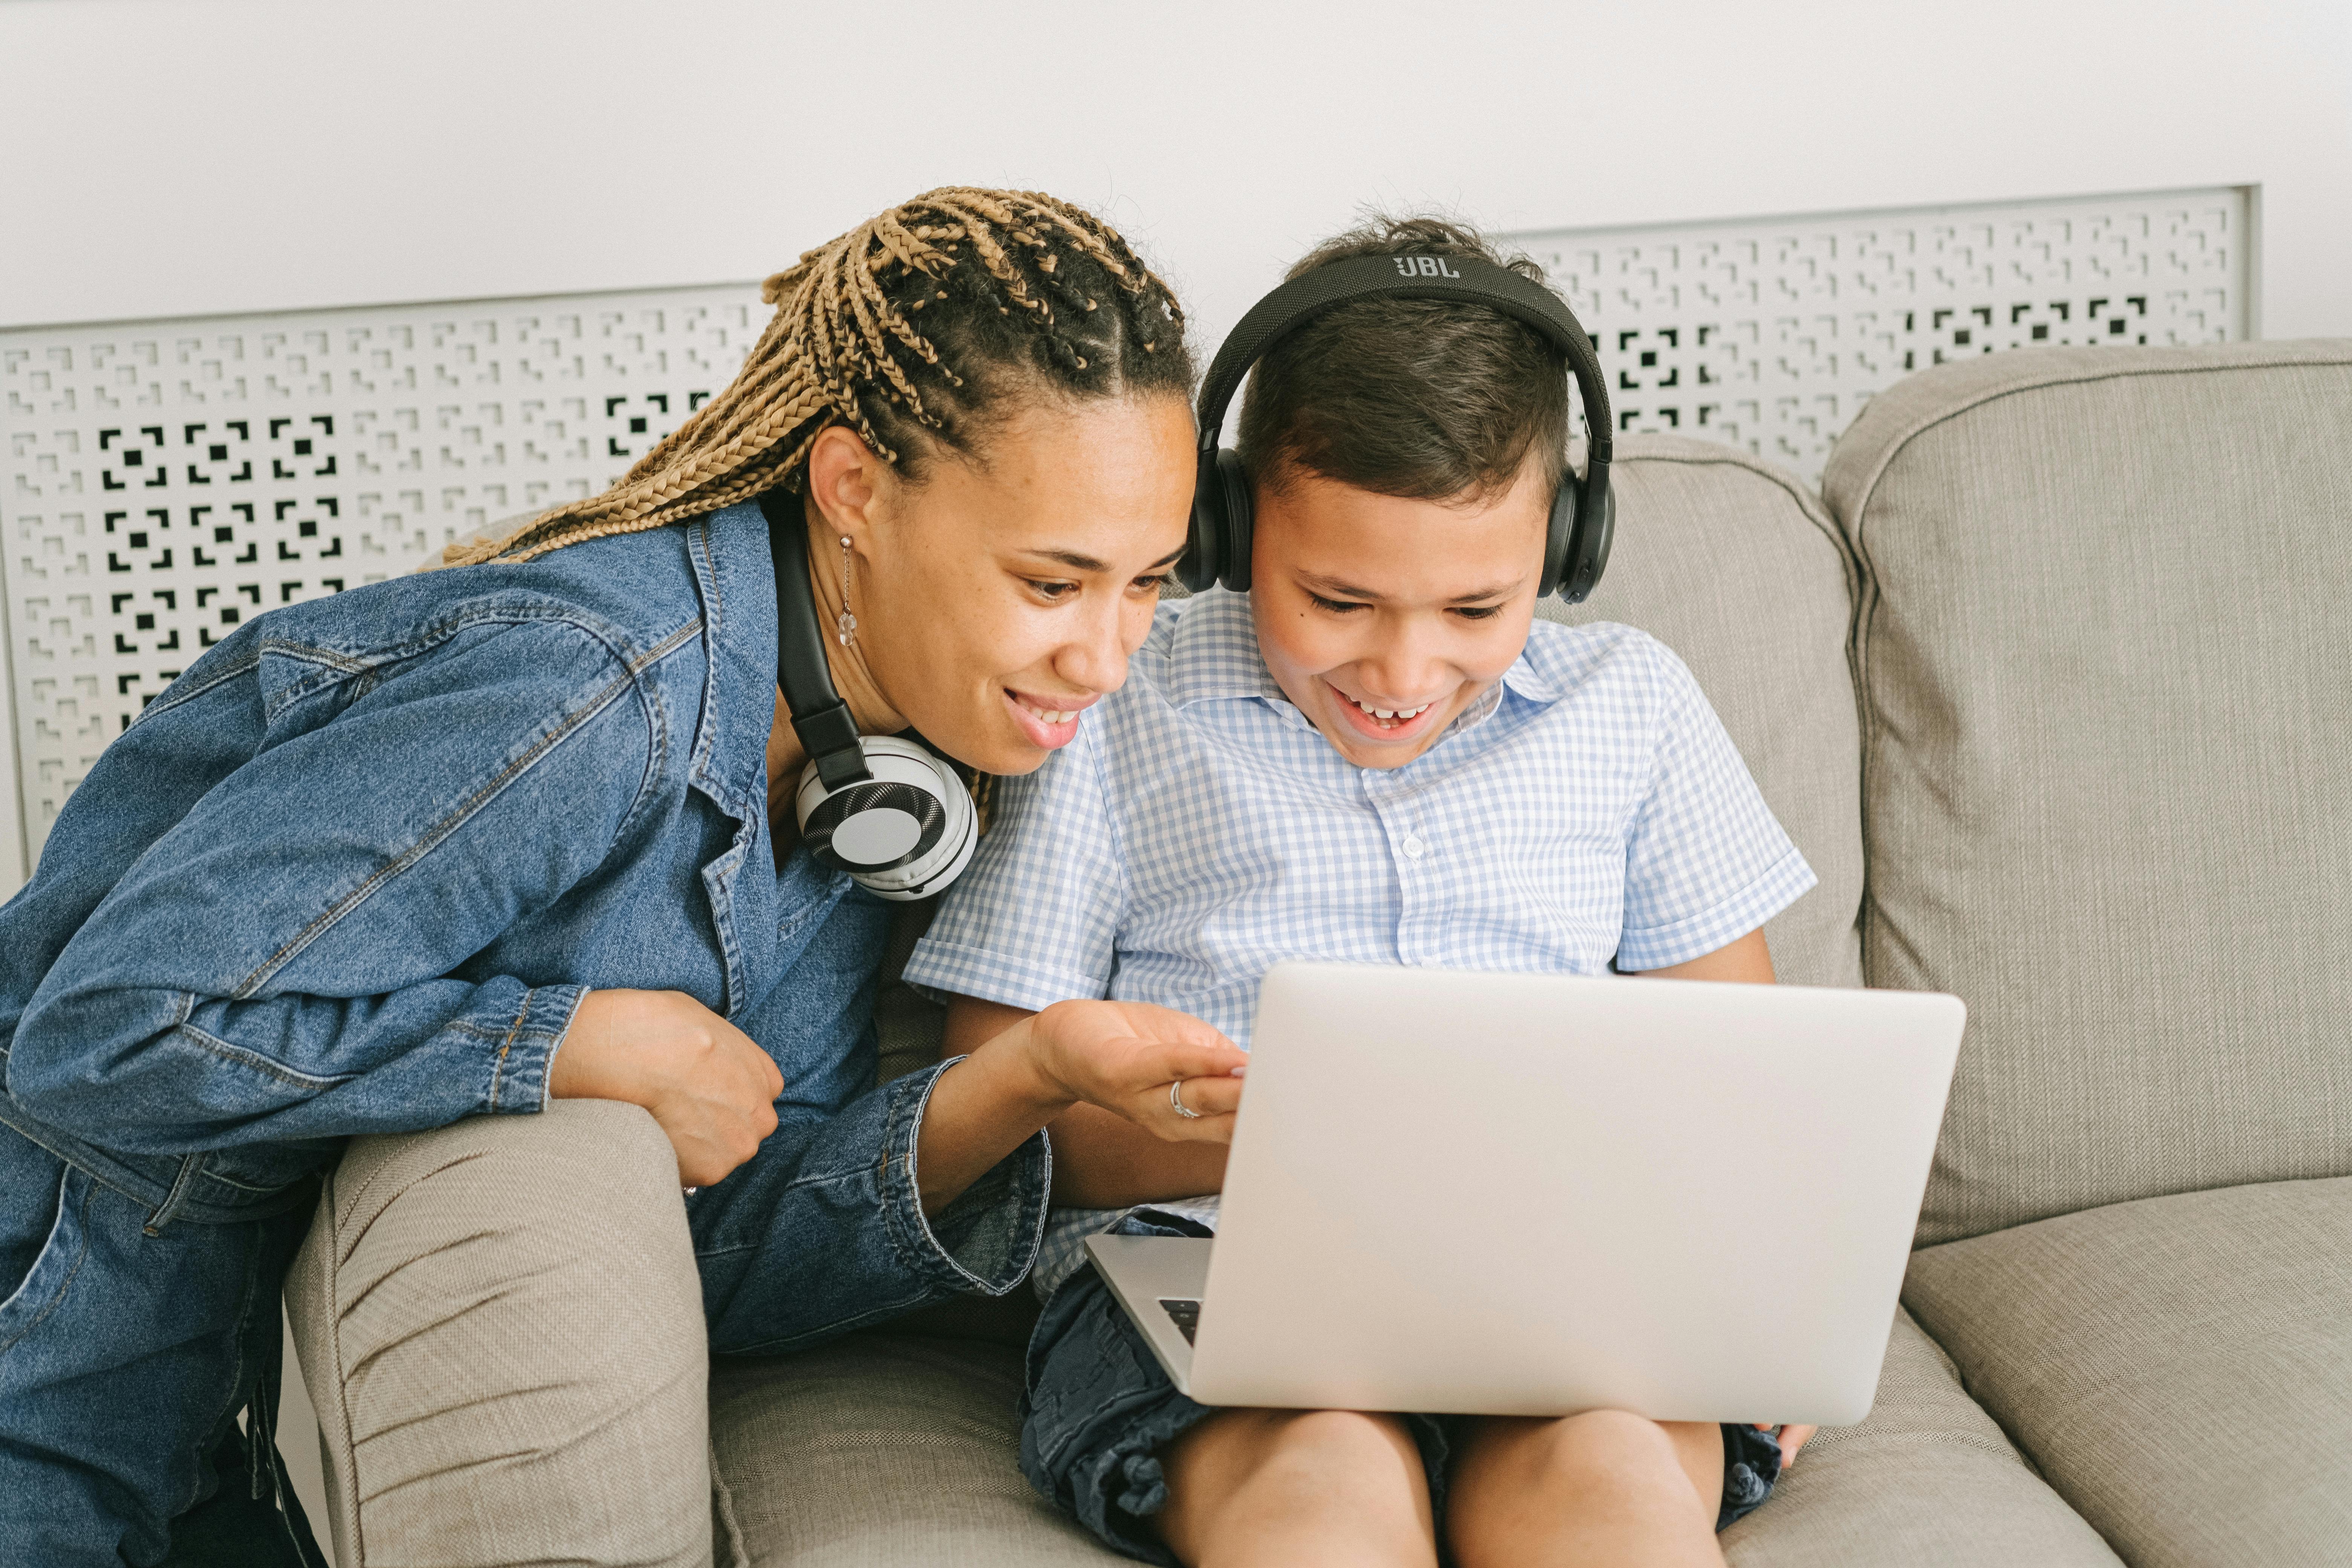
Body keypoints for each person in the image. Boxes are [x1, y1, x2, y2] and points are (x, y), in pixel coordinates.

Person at [0, 188, 1245, 1568]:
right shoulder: (588, 691)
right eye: (1053, 583)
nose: (1109, 658)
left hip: (193, 1434)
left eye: (1146, 585)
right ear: (853, 493)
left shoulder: (879, 769)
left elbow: (719, 1265)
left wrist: (1027, 1081)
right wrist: (560, 1042)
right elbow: (107, 1033)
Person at [904, 216, 1821, 1568]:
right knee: (1320, 1487)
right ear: (1229, 524)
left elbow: (1743, 1088)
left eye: (1473, 610)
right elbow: (997, 1115)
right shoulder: (1118, 706)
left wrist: (1760, 1307)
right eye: (1336, 599)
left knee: (1614, 1490)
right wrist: (1307, 1143)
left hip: (1561, 1285)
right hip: (1215, 1267)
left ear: (1565, 545)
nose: (1400, 672)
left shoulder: (1631, 707)